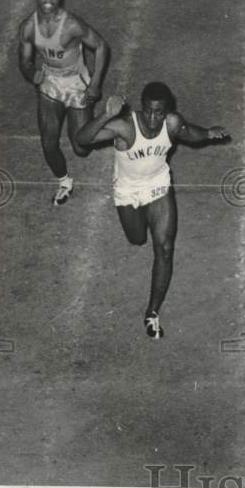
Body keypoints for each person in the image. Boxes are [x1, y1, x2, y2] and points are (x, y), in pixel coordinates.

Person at [76, 83, 229, 339]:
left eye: (159, 112)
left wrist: (209, 132)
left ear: (166, 110)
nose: (153, 118)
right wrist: (105, 115)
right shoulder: (125, 127)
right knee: (137, 239)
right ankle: (141, 221)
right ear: (141, 108)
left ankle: (152, 312)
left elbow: (189, 133)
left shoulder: (171, 123)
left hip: (158, 184)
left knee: (165, 249)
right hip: (128, 189)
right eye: (148, 111)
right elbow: (81, 140)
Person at [18, 0, 110, 205]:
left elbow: (100, 46)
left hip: (77, 85)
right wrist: (31, 73)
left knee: (81, 147)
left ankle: (112, 125)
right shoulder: (28, 27)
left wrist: (96, 83)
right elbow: (25, 60)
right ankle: (64, 182)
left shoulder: (71, 25)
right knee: (48, 142)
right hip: (51, 84)